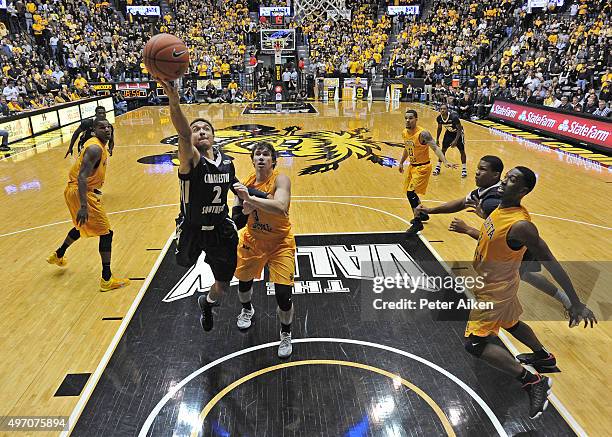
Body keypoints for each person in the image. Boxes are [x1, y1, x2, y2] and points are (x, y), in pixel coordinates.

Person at [448, 166, 597, 419]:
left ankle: (532, 381)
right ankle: (544, 358)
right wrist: (471, 227)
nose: (505, 181)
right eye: (507, 176)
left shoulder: (521, 225)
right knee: (510, 322)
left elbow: (551, 261)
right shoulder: (497, 209)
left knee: (475, 344)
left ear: (524, 191)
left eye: (513, 180)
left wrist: (575, 301)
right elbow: (491, 239)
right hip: (494, 281)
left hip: (495, 289)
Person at [156, 78, 269, 332]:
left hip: (220, 229)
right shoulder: (190, 159)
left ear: (214, 136)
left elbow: (239, 189)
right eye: (196, 129)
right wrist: (174, 101)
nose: (201, 132)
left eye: (206, 128)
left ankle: (206, 304)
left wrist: (250, 205)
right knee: (183, 264)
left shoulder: (227, 162)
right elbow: (183, 134)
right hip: (193, 228)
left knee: (222, 284)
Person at [416, 156, 571, 310]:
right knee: (524, 276)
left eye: (482, 169)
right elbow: (462, 203)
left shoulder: (492, 203)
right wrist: (430, 210)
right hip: (512, 244)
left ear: (495, 175)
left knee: (518, 277)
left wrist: (470, 227)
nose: (476, 172)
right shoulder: (486, 192)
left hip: (518, 248)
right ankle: (565, 300)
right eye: (478, 168)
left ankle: (566, 300)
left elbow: (495, 238)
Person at [47, 119, 130, 292]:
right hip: (81, 192)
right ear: (94, 130)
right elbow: (82, 177)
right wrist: (84, 206)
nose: (107, 130)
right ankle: (106, 279)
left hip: (74, 191)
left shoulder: (98, 144)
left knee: (81, 226)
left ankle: (59, 254)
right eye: (102, 127)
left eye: (109, 127)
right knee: (106, 233)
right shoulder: (94, 148)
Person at [232, 142, 296, 358]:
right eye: (257, 154)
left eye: (266, 154)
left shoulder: (280, 179)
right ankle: (247, 309)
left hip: (280, 243)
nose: (261, 157)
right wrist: (244, 209)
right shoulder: (244, 184)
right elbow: (238, 220)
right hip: (253, 240)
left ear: (273, 160)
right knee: (243, 285)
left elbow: (281, 206)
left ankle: (286, 333)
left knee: (284, 296)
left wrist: (251, 199)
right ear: (252, 160)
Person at [399, 109, 456, 237]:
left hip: (423, 167)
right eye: (406, 118)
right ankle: (423, 213)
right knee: (410, 192)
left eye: (411, 118)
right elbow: (407, 149)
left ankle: (418, 222)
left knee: (410, 193)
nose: (408, 120)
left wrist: (445, 161)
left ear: (416, 119)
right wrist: (402, 162)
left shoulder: (422, 134)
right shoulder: (404, 133)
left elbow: (435, 147)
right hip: (412, 167)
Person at [434, 103, 467, 178]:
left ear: (447, 110)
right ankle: (438, 167)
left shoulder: (454, 117)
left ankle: (464, 169)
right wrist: (437, 139)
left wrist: (455, 141)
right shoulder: (439, 118)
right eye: (441, 109)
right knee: (443, 150)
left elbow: (459, 129)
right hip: (449, 133)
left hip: (458, 133)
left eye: (444, 109)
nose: (442, 110)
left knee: (462, 151)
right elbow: (439, 128)